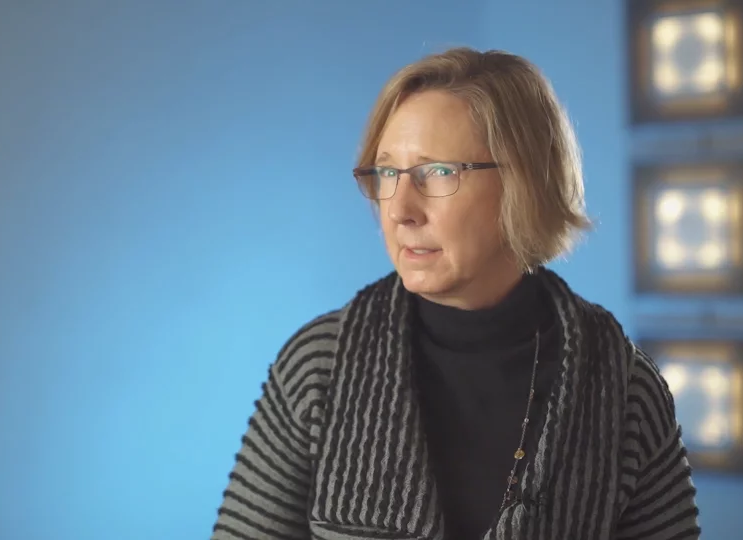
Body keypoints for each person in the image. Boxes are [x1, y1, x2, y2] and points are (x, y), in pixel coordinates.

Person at [211, 47, 700, 540]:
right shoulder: (319, 367)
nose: (400, 209)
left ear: (523, 182)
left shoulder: (624, 389)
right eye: (387, 173)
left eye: (437, 172)